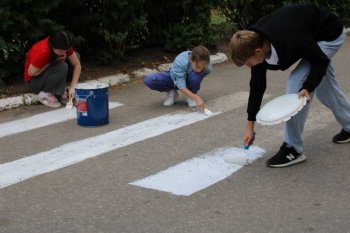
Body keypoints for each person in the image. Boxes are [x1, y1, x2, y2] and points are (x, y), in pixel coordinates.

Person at [229, 3, 350, 168]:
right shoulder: (256, 41)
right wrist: (250, 127)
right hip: (309, 36)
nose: (249, 66)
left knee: (296, 82)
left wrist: (306, 87)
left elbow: (320, 61)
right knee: (324, 88)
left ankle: (292, 149)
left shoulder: (291, 37)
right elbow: (257, 88)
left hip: (328, 35)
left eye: (248, 63)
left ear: (258, 51)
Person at [24, 30, 81, 108]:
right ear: (52, 46)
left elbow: (77, 65)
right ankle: (45, 93)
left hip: (47, 72)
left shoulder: (63, 46)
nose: (64, 53)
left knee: (76, 56)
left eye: (66, 51)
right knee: (62, 66)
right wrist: (52, 62)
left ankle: (59, 92)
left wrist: (73, 87)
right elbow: (31, 73)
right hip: (33, 82)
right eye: (60, 51)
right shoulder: (42, 51)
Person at [144, 45, 212, 109]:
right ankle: (172, 92)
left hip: (188, 80)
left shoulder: (207, 66)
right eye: (197, 67)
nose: (199, 70)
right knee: (149, 80)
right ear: (191, 60)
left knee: (196, 75)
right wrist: (197, 98)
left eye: (202, 68)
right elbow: (181, 86)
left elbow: (199, 77)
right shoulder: (181, 61)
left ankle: (191, 96)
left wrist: (194, 92)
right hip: (173, 78)